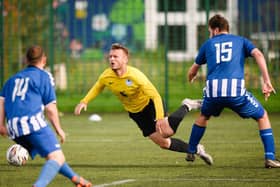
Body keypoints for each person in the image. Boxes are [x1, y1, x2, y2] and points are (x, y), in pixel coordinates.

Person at [74, 43, 213, 165]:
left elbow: (155, 96)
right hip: (136, 114)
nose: (111, 59)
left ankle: (187, 105)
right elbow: (98, 86)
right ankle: (197, 149)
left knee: (166, 132)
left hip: (151, 105)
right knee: (163, 143)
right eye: (110, 56)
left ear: (125, 59)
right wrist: (84, 101)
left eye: (116, 56)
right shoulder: (106, 76)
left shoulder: (136, 76)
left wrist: (159, 117)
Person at [185, 14, 280, 168]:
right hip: (235, 92)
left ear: (215, 30)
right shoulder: (241, 41)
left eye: (210, 31)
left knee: (204, 115)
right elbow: (258, 54)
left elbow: (193, 70)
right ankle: (270, 157)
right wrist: (267, 81)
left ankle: (191, 149)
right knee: (262, 116)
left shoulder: (208, 44)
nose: (210, 34)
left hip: (213, 92)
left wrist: (191, 77)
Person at [0, 45, 92, 187]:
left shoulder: (12, 79)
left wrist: (1, 125)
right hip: (31, 123)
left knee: (53, 156)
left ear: (26, 60)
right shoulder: (44, 76)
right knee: (57, 156)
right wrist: (59, 129)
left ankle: (77, 179)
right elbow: (50, 108)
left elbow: (1, 102)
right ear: (44, 60)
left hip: (13, 128)